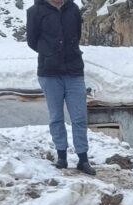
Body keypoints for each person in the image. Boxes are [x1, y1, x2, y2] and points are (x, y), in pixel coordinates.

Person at [26, 0, 96, 175]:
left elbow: (76, 35)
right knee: (56, 117)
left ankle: (83, 159)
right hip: (49, 72)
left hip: (74, 70)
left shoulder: (73, 9)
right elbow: (32, 41)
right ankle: (61, 157)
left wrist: (68, 51)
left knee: (79, 117)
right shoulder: (35, 11)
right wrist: (49, 53)